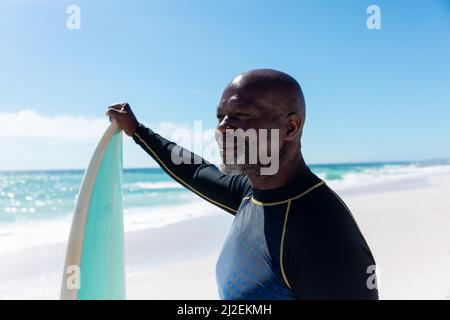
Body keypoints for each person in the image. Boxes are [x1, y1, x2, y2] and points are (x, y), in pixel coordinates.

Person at [107, 69, 379, 300]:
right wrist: (138, 131)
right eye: (220, 116)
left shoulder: (324, 235)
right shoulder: (252, 194)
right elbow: (196, 171)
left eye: (242, 115)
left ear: (290, 128)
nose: (223, 127)